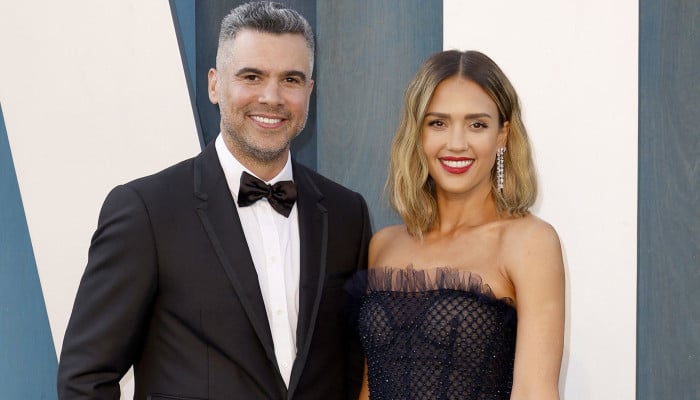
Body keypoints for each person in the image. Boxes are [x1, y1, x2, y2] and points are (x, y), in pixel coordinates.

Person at [57, 2, 370, 399]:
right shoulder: (146, 211)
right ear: (215, 85)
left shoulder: (347, 214)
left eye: (290, 79)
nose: (271, 97)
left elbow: (356, 369)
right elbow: (84, 380)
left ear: (309, 92)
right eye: (252, 76)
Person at [357, 50, 565, 399]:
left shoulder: (529, 243)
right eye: (438, 123)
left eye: (477, 124)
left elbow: (534, 390)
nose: (456, 144)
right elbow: (371, 385)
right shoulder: (385, 244)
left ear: (502, 135)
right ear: (418, 133)